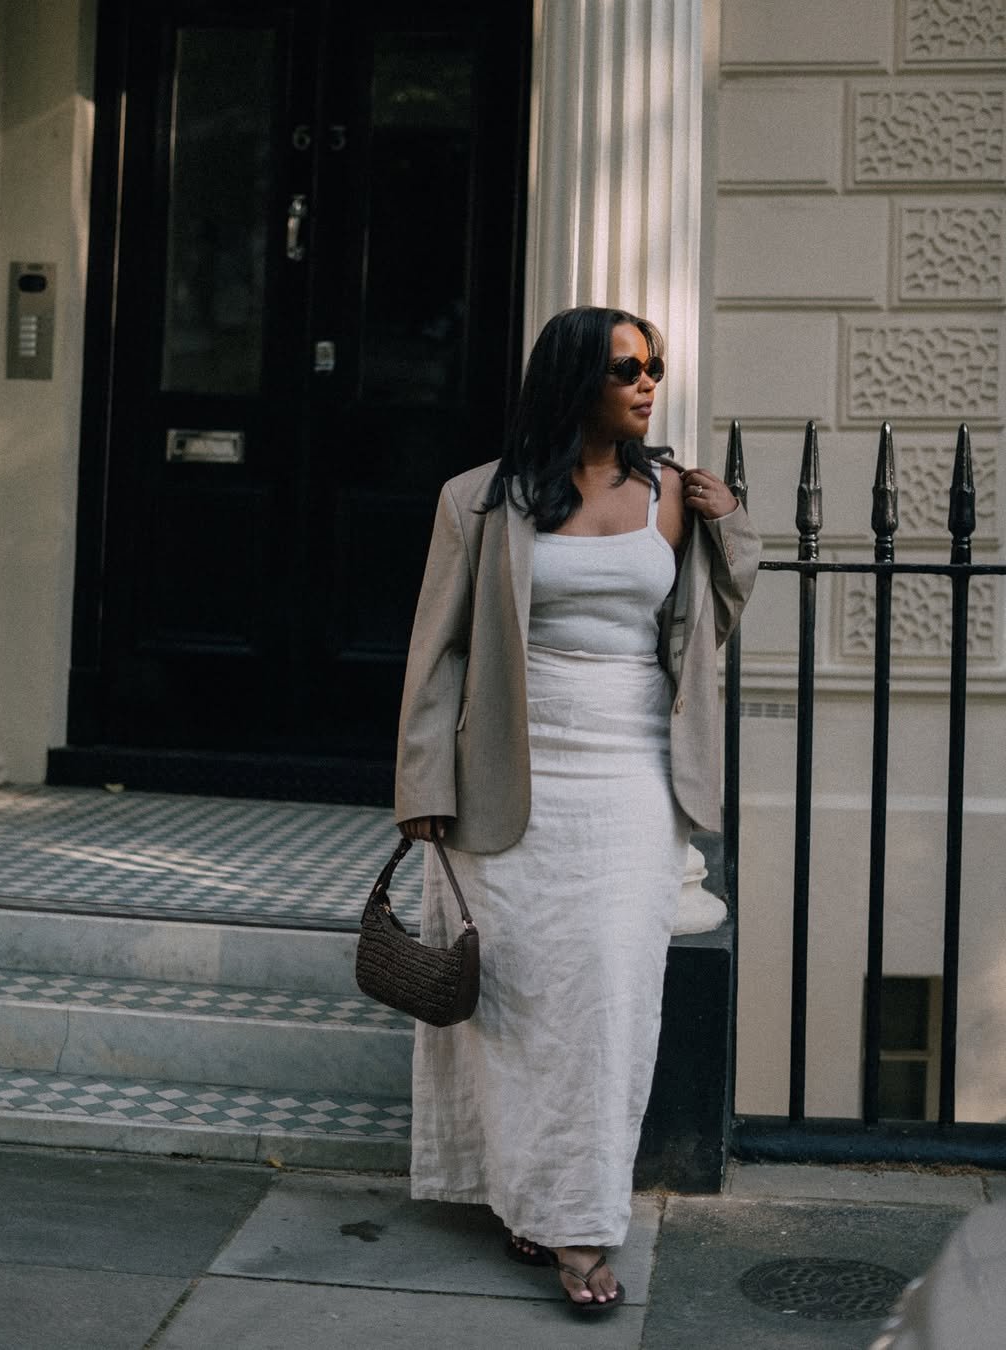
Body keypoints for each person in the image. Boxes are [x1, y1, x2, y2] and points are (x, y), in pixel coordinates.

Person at [395, 305, 760, 1315]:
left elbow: (710, 620)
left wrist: (729, 523)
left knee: (609, 997)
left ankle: (588, 1227)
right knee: (511, 1001)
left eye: (655, 367)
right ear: (574, 383)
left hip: (631, 771)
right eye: (627, 369)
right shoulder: (480, 501)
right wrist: (424, 785)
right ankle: (526, 1198)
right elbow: (441, 652)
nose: (648, 384)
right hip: (506, 774)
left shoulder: (675, 496)